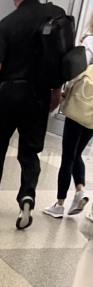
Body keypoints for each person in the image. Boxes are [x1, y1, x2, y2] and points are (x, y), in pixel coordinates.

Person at [0, 0, 64, 230]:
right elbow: (58, 60)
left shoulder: (8, 22)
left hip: (10, 93)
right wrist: (56, 92)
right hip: (40, 95)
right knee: (30, 151)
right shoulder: (55, 16)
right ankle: (27, 197)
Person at [44, 18, 93, 218]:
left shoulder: (90, 41)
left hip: (80, 104)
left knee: (68, 155)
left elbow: (77, 71)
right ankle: (79, 191)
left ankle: (60, 204)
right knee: (77, 153)